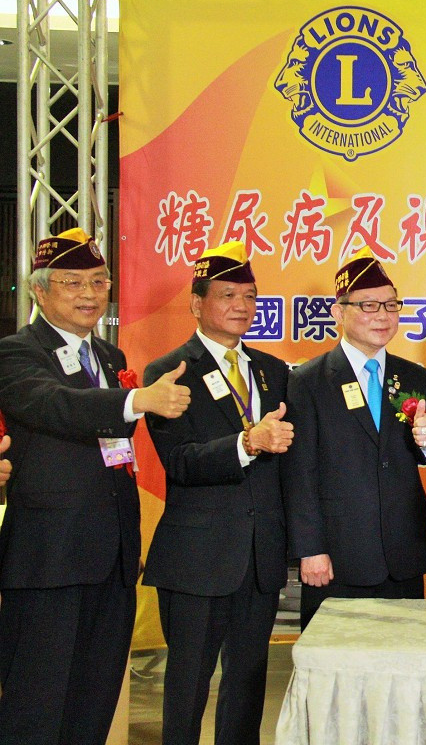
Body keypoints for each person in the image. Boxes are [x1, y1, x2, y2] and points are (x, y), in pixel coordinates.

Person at [0, 228, 190, 745]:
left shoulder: (109, 357)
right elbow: (55, 405)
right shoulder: (17, 353)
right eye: (72, 282)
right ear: (39, 290)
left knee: (94, 704)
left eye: (99, 281)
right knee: (36, 709)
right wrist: (136, 401)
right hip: (49, 561)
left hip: (113, 560)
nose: (89, 293)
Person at [141, 242, 294, 745]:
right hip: (197, 556)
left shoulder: (273, 371)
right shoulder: (169, 371)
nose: (241, 306)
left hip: (260, 553)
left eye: (250, 296)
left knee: (248, 684)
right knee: (188, 683)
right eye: (227, 295)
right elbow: (180, 461)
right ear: (196, 303)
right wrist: (247, 443)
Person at [284, 248, 426, 628]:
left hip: (403, 553)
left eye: (391, 306)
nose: (383, 316)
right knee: (336, 658)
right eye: (369, 306)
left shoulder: (413, 377)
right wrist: (310, 549)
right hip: (337, 557)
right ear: (338, 312)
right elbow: (299, 474)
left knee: (402, 657)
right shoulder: (308, 381)